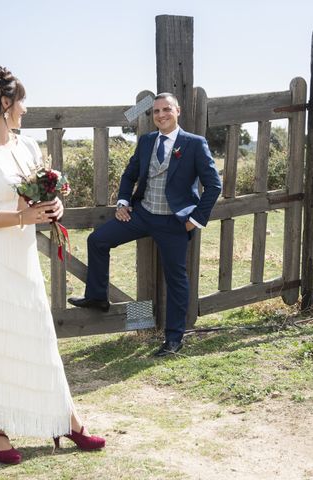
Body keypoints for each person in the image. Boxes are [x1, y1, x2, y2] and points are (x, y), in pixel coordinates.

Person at [0, 66, 105, 465]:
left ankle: (64, 418)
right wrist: (21, 218)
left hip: (20, 257)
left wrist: (54, 206)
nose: (26, 107)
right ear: (5, 104)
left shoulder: (28, 147)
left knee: (37, 335)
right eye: (21, 100)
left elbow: (36, 198)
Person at [69, 93, 222, 357]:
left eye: (166, 110)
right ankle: (97, 296)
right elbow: (130, 174)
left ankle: (174, 338)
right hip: (142, 213)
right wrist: (122, 203)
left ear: (178, 111)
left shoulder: (195, 143)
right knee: (97, 240)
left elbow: (214, 185)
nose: (161, 115)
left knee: (176, 279)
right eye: (156, 111)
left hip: (175, 222)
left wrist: (194, 220)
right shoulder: (147, 140)